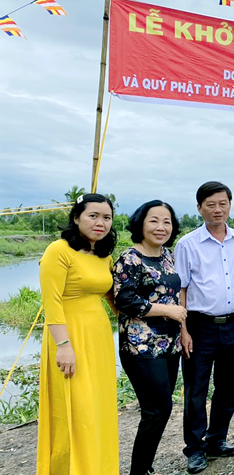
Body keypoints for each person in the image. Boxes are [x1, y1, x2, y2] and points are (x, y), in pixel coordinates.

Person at [174, 181, 234, 474]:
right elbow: (182, 289)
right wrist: (183, 330)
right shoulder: (187, 244)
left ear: (230, 206)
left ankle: (217, 440)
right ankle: (195, 449)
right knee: (196, 389)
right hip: (200, 326)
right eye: (210, 204)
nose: (217, 209)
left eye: (223, 203)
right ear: (200, 208)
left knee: (228, 387)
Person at [37, 193, 119, 475]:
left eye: (106, 217)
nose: (100, 222)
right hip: (68, 337)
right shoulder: (58, 251)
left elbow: (110, 295)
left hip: (98, 338)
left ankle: (99, 467)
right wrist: (63, 345)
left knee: (98, 407)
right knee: (75, 408)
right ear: (76, 218)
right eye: (92, 216)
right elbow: (52, 303)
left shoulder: (103, 255)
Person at [114, 200, 186, 475]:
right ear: (141, 224)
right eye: (154, 220)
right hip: (141, 346)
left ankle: (144, 466)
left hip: (169, 344)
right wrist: (166, 310)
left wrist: (182, 327)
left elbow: (175, 295)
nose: (161, 227)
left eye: (167, 221)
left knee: (160, 409)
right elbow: (125, 300)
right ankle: (139, 470)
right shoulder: (130, 258)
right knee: (157, 409)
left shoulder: (167, 255)